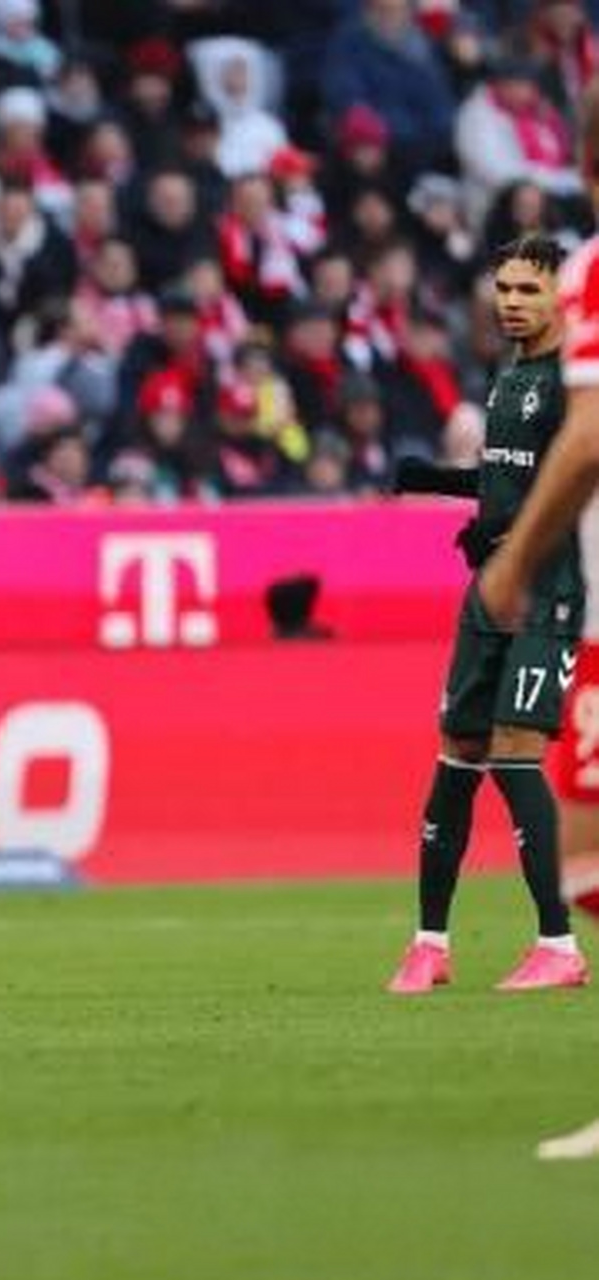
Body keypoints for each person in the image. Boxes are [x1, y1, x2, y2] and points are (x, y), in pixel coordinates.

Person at [388, 233, 585, 995]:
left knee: (514, 750)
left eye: (529, 289)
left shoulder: (574, 382)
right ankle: (429, 945)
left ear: (562, 296)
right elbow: (512, 476)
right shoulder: (510, 377)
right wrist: (441, 481)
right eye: (503, 288)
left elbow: (575, 480)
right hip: (491, 589)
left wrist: (507, 530)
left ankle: (559, 946)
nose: (511, 302)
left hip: (553, 589)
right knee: (458, 750)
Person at [478, 91, 599, 1161]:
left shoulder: (592, 273)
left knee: (583, 849)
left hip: (587, 603)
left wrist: (516, 559)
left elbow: (587, 437)